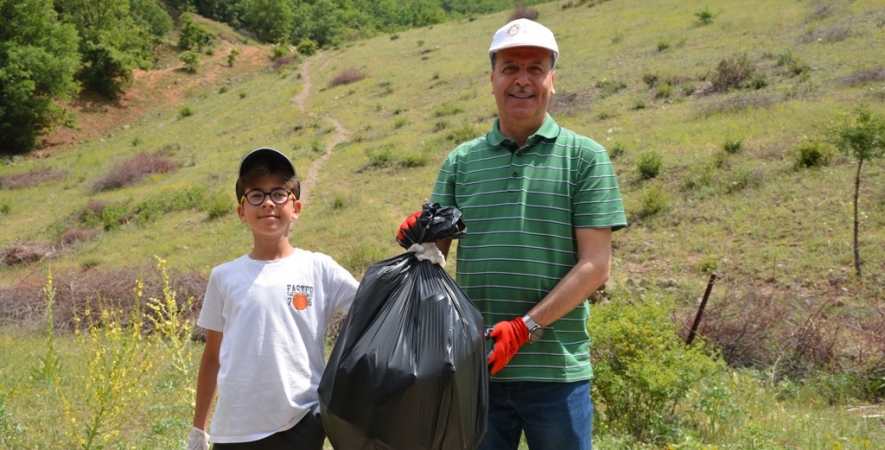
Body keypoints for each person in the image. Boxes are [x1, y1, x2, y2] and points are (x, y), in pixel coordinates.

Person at [397, 18, 627, 450]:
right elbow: (433, 256)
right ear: (492, 79)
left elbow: (596, 265)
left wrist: (526, 327)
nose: (523, 80)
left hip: (557, 373)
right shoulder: (461, 162)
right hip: (475, 370)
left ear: (552, 81)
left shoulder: (586, 158)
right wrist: (416, 238)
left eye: (535, 68)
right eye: (510, 68)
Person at [188, 147, 359, 450]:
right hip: (233, 431)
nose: (268, 202)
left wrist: (416, 262)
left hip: (300, 425)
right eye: (256, 194)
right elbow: (213, 356)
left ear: (296, 208)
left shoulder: (319, 268)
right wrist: (199, 428)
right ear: (242, 211)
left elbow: (377, 305)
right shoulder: (224, 276)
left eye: (279, 193)